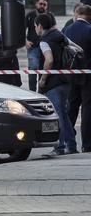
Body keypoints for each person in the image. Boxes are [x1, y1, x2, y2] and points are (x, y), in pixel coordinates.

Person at [37, 13, 78, 156]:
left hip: (52, 83)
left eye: (36, 26)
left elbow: (48, 60)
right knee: (64, 114)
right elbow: (78, 49)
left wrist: (43, 79)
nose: (36, 29)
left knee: (58, 114)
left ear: (40, 26)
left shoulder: (44, 41)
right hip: (66, 80)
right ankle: (71, 145)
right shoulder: (61, 36)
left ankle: (59, 146)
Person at [63, 4, 91, 153]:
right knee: (87, 109)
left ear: (78, 14)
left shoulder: (67, 29)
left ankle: (69, 143)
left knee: (71, 108)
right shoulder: (89, 30)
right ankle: (87, 144)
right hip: (87, 76)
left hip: (70, 75)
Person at [25, 0, 50, 92]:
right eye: (40, 4)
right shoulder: (30, 15)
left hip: (46, 48)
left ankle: (41, 92)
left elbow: (54, 29)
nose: (42, 6)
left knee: (43, 69)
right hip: (33, 47)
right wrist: (25, 41)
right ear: (36, 4)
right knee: (33, 68)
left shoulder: (49, 16)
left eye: (44, 4)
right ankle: (32, 91)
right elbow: (21, 29)